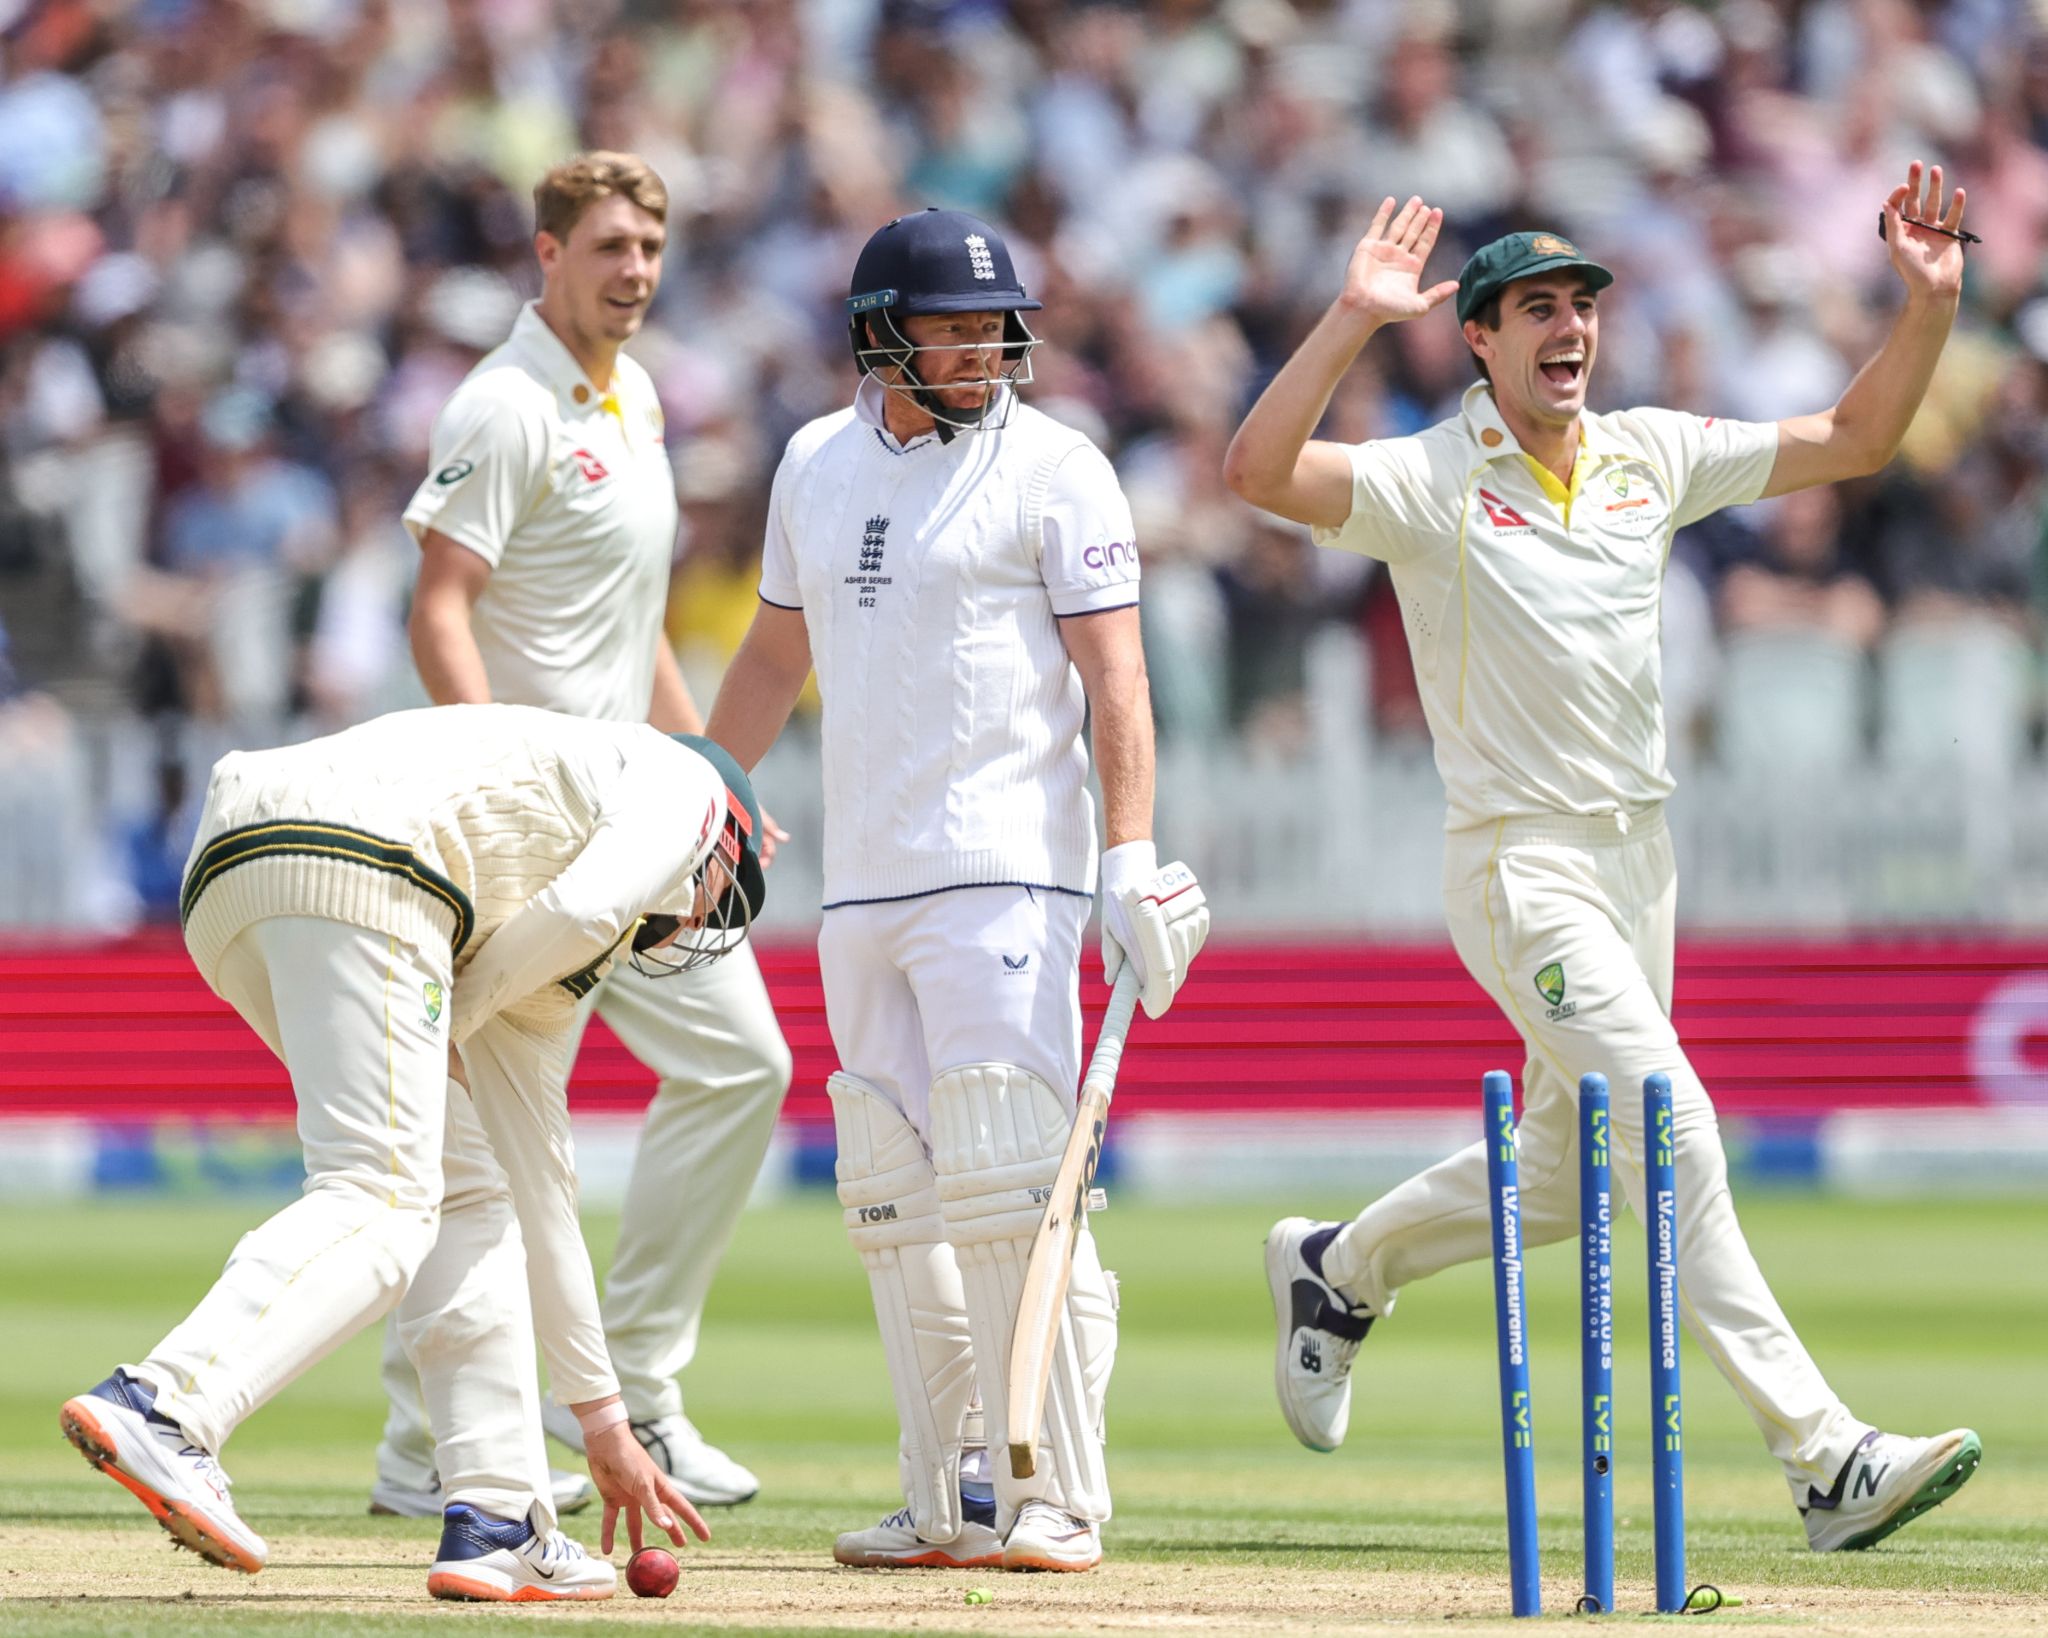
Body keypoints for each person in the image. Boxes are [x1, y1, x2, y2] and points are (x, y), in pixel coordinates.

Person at [1226, 173, 1981, 1551]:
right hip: (1522, 869)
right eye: (1536, 310)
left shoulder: (1650, 453)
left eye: (1581, 305)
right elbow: (1257, 474)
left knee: (1572, 1173)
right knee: (1671, 1126)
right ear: (1479, 338)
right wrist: (1346, 317)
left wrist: (1926, 304)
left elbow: (1858, 435)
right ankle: (1823, 1455)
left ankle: (1339, 1269)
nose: (1568, 327)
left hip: (1644, 861)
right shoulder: (1429, 476)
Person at [703, 207, 1210, 1574]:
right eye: (953, 325)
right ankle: (948, 1493)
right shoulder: (813, 461)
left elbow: (1118, 682)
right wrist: (699, 795)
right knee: (890, 1197)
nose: (984, 346)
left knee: (1013, 1185)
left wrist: (1128, 855)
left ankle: (1055, 1497)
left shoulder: (1059, 468)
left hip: (1009, 872)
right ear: (881, 333)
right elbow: (767, 658)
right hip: (861, 883)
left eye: (997, 324)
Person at [59, 704, 768, 1599]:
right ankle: (165, 1406)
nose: (703, 919)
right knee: (383, 1196)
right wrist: (455, 1018)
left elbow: (545, 1194)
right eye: (720, 893)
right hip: (369, 860)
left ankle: (499, 1519)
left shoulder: (538, 961)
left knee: (470, 1190)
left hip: (237, 863)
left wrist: (604, 1423)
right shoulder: (688, 783)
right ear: (725, 841)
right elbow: (588, 901)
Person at [395, 150, 790, 1516]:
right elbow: (438, 606)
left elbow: (633, 630)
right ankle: (436, 1434)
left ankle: (634, 1383)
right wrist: (498, 777)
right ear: (547, 253)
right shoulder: (501, 404)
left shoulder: (639, 397)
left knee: (744, 1065)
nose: (634, 272)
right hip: (531, 825)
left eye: (651, 250)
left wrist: (713, 775)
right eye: (609, 247)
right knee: (502, 1124)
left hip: (636, 808)